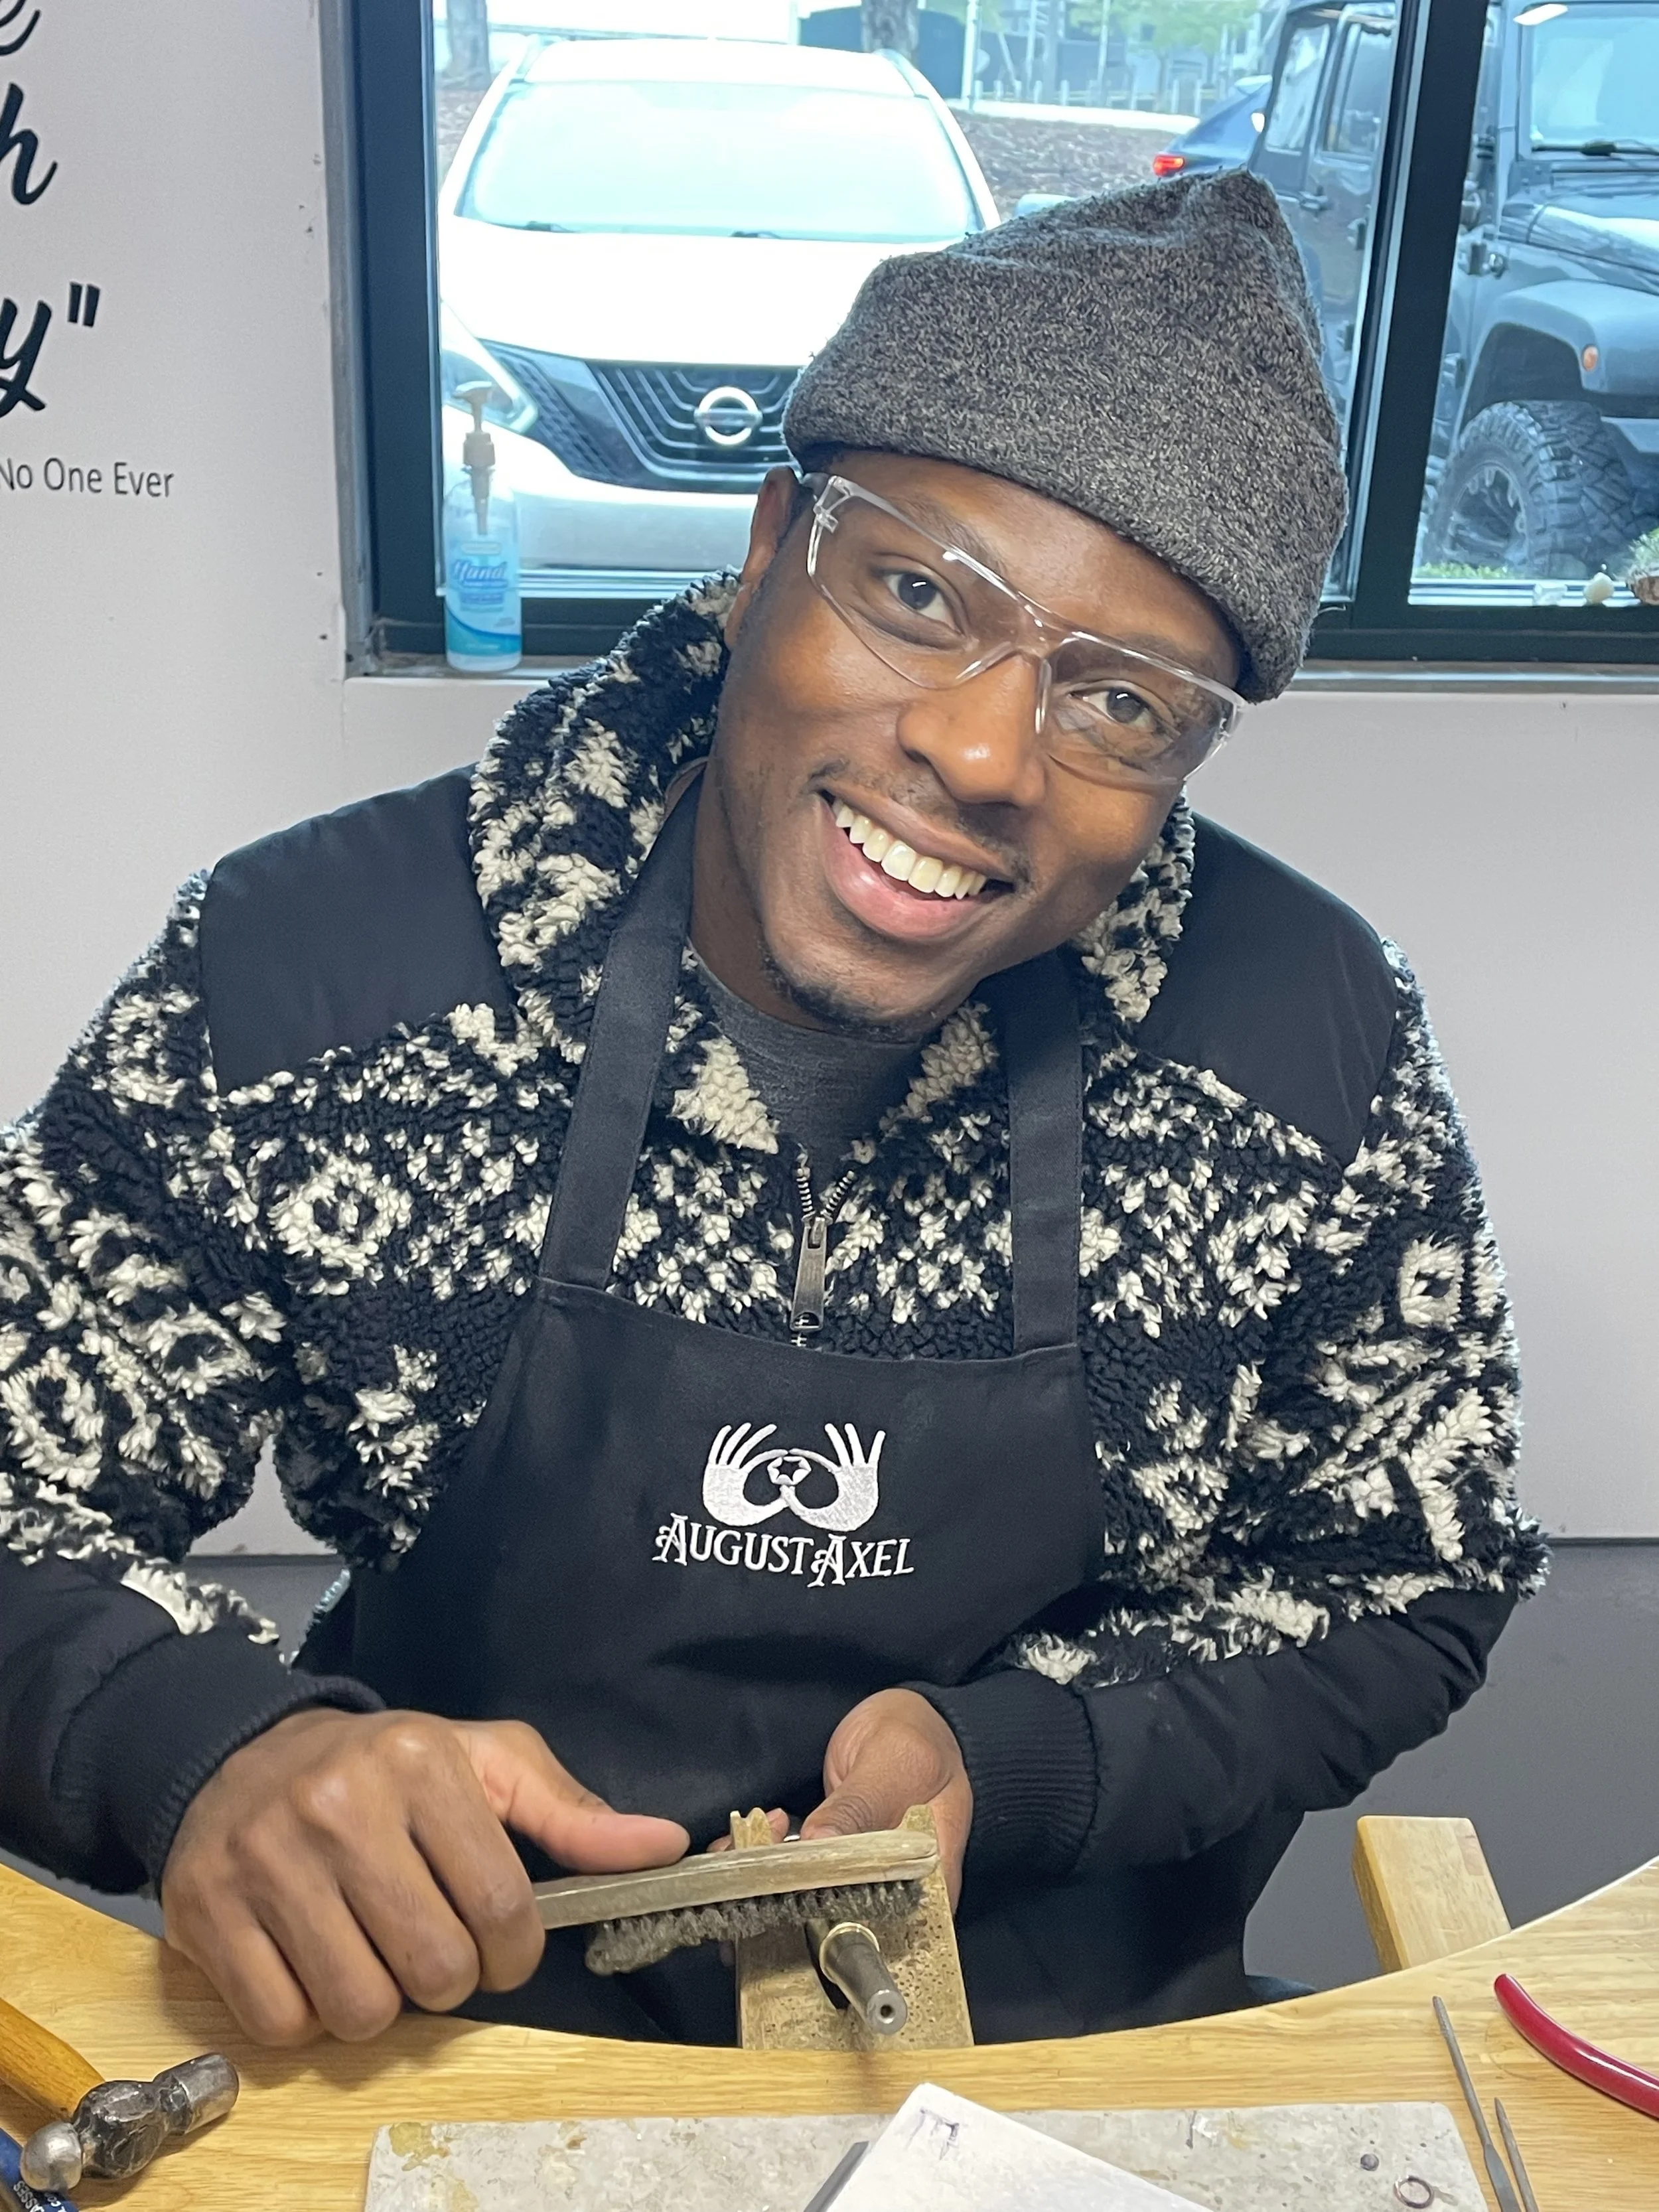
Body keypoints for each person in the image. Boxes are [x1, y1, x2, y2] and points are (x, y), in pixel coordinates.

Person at [0, 171, 1543, 2049]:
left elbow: (1405, 1560)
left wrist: (1031, 1752)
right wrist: (202, 1742)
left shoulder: (1304, 1048)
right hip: (454, 2016)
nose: (979, 754)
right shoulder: (310, 978)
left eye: (1120, 704)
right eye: (915, 592)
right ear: (762, 548)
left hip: (1057, 2030)